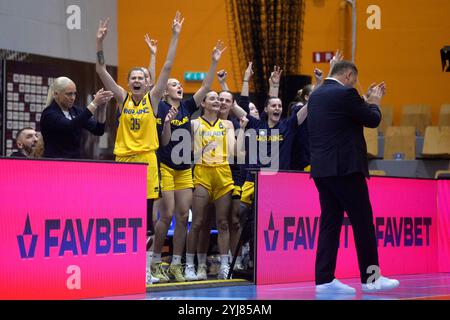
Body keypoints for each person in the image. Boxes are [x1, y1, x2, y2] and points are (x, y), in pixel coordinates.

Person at [95, 12, 184, 285]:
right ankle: (121, 265)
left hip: (147, 162)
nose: (135, 80)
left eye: (140, 78)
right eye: (131, 77)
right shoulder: (122, 98)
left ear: (147, 82)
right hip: (123, 162)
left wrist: (175, 35)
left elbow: (167, 66)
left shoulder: (154, 98)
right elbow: (100, 71)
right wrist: (99, 44)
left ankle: (144, 269)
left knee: (145, 220)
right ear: (129, 81)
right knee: (123, 217)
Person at [307, 60, 399, 294]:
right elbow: (372, 119)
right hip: (345, 168)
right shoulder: (346, 93)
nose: (355, 84)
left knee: (330, 221)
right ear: (348, 75)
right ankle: (371, 279)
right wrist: (375, 101)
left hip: (322, 170)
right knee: (363, 221)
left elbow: (348, 116)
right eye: (354, 80)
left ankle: (324, 279)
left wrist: (364, 100)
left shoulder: (316, 96)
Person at [151, 41, 226, 283]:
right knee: (167, 215)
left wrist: (214, 62)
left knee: (184, 216)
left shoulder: (186, 106)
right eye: (174, 84)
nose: (179, 86)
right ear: (165, 91)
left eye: (180, 84)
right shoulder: (160, 106)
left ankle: (176, 264)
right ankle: (153, 263)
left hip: (184, 169)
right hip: (165, 167)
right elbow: (163, 143)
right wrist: (167, 123)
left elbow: (205, 85)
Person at [185, 91, 246, 280]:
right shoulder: (194, 124)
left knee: (223, 223)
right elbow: (188, 156)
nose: (218, 102)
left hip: (223, 174)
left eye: (219, 100)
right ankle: (194, 266)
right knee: (198, 223)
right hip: (202, 172)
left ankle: (224, 266)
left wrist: (242, 130)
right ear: (202, 103)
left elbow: (237, 153)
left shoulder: (227, 125)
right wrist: (202, 150)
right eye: (213, 98)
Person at [40, 77, 113, 159]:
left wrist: (102, 109)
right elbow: (70, 126)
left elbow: (98, 130)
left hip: (75, 162)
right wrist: (94, 103)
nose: (73, 98)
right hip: (55, 163)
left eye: (74, 93)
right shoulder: (49, 113)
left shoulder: (75, 110)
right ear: (56, 94)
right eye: (69, 94)